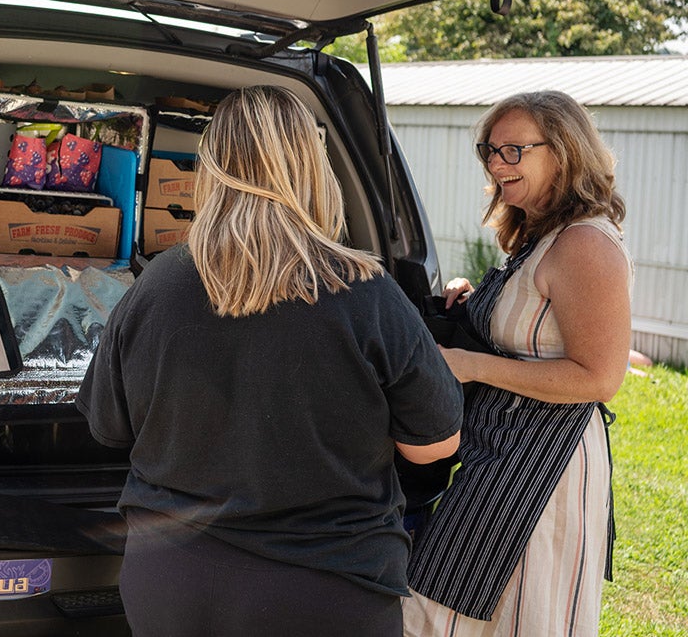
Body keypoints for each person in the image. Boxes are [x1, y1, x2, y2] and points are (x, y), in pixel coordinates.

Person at [76, 85, 463, 636]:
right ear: (312, 169)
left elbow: (109, 427)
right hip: (327, 588)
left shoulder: (156, 284)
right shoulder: (365, 289)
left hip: (175, 582)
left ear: (210, 170)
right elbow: (434, 445)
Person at [405, 90, 631, 636]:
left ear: (564, 151)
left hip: (541, 469)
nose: (496, 163)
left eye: (514, 150)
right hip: (502, 451)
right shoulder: (541, 236)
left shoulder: (585, 244)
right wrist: (474, 299)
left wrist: (470, 364)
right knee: (445, 597)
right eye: (490, 150)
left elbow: (600, 378)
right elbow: (533, 325)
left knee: (487, 609)